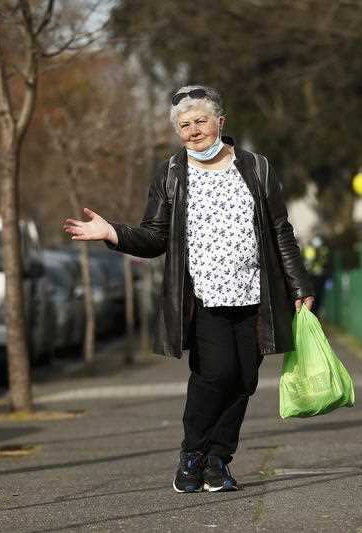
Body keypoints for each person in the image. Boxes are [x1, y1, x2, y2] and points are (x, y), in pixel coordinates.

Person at [63, 85, 314, 493]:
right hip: (202, 297)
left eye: (200, 121)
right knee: (216, 374)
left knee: (245, 379)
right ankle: (192, 453)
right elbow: (155, 236)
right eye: (185, 125)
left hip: (255, 294)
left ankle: (218, 461)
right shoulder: (172, 173)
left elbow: (280, 231)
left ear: (221, 122)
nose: (194, 131)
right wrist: (113, 232)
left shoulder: (256, 168)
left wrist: (299, 284)